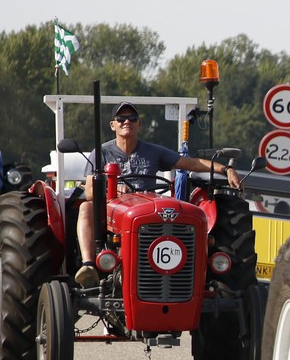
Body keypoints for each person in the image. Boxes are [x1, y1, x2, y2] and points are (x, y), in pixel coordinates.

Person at [73, 102, 243, 287]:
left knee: (176, 211)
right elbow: (89, 192)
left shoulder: (153, 151)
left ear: (139, 124)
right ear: (113, 125)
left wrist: (226, 169)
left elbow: (192, 163)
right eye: (121, 118)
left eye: (132, 118)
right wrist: (112, 190)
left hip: (147, 208)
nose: (127, 122)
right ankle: (88, 265)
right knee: (86, 207)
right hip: (113, 211)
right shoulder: (101, 153)